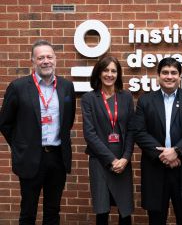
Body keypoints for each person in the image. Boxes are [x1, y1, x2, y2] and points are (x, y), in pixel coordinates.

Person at [0, 39, 76, 224]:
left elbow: (68, 121)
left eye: (49, 56)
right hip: (30, 157)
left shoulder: (66, 87)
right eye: (40, 57)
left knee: (52, 211)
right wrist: (21, 145)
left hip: (57, 157)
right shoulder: (18, 87)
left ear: (55, 59)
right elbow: (5, 122)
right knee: (28, 211)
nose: (46, 61)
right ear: (33, 61)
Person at [131, 57, 182, 225]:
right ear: (158, 76)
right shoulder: (145, 100)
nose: (169, 76)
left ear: (180, 76)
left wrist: (176, 151)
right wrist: (164, 155)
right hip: (155, 169)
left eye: (174, 73)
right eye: (165, 72)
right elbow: (139, 131)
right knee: (156, 220)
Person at [81, 56, 134, 225]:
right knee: (102, 212)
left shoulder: (126, 97)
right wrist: (112, 160)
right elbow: (89, 134)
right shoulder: (89, 99)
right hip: (100, 161)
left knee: (124, 212)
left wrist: (125, 158)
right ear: (98, 73)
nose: (109, 74)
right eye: (106, 70)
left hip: (123, 162)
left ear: (118, 74)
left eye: (113, 71)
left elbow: (132, 130)